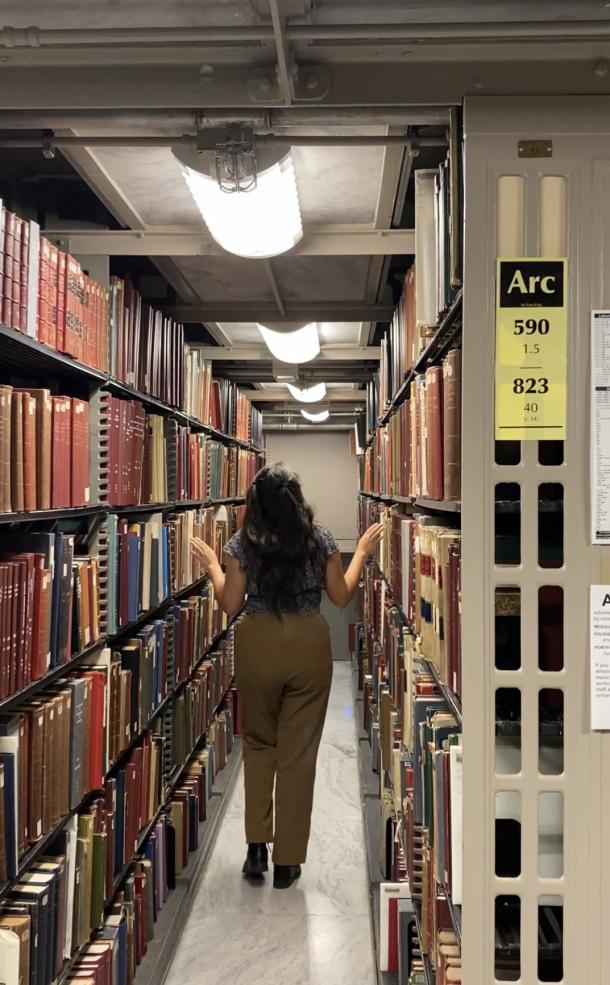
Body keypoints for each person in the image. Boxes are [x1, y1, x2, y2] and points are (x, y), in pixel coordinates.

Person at [191, 462, 383, 890]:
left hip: (258, 643)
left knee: (259, 743)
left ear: (254, 505)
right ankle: (288, 862)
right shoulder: (321, 540)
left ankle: (256, 846)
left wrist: (211, 566)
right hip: (308, 642)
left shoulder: (243, 544)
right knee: (298, 755)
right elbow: (340, 596)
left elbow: (229, 602)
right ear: (295, 500)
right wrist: (364, 555)